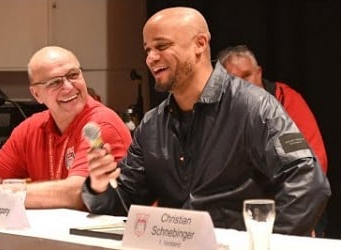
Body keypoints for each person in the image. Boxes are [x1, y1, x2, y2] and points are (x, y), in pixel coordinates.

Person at [81, 7, 331, 236]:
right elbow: (124, 203)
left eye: (162, 46)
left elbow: (308, 183)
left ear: (200, 44)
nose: (151, 58)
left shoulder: (255, 107)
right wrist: (100, 186)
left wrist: (265, 241)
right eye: (147, 50)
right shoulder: (151, 126)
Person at [0, 46, 132, 210]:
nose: (68, 87)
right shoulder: (32, 127)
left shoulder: (100, 124)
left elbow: (77, 192)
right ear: (37, 94)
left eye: (73, 75)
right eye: (55, 82)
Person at [217, 45, 328, 174]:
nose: (242, 85)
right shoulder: (217, 112)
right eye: (233, 80)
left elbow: (315, 160)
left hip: (285, 188)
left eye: (247, 75)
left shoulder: (286, 100)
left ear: (259, 73)